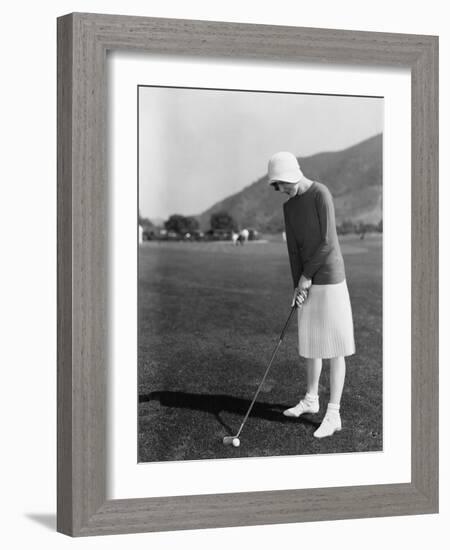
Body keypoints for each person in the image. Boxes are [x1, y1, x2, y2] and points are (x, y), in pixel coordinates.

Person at [267, 151, 356, 438]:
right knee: (313, 342)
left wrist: (307, 276)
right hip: (307, 280)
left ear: (292, 174)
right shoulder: (289, 208)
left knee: (334, 346)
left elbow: (328, 242)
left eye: (282, 183)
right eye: (277, 186)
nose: (281, 190)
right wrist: (298, 285)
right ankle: (311, 399)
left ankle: (334, 414)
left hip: (329, 277)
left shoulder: (321, 194)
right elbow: (294, 250)